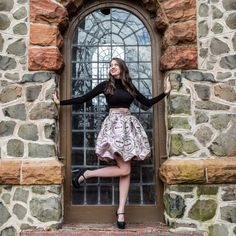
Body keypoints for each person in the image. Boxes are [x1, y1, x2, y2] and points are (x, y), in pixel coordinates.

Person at [53, 57, 171, 229]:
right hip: (114, 127)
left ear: (122, 68)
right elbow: (83, 98)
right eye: (110, 66)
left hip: (128, 128)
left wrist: (165, 92)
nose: (112, 67)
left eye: (115, 65)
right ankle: (87, 174)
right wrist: (60, 102)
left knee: (126, 170)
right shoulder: (106, 86)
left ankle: (121, 210)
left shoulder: (130, 87)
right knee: (124, 169)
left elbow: (147, 103)